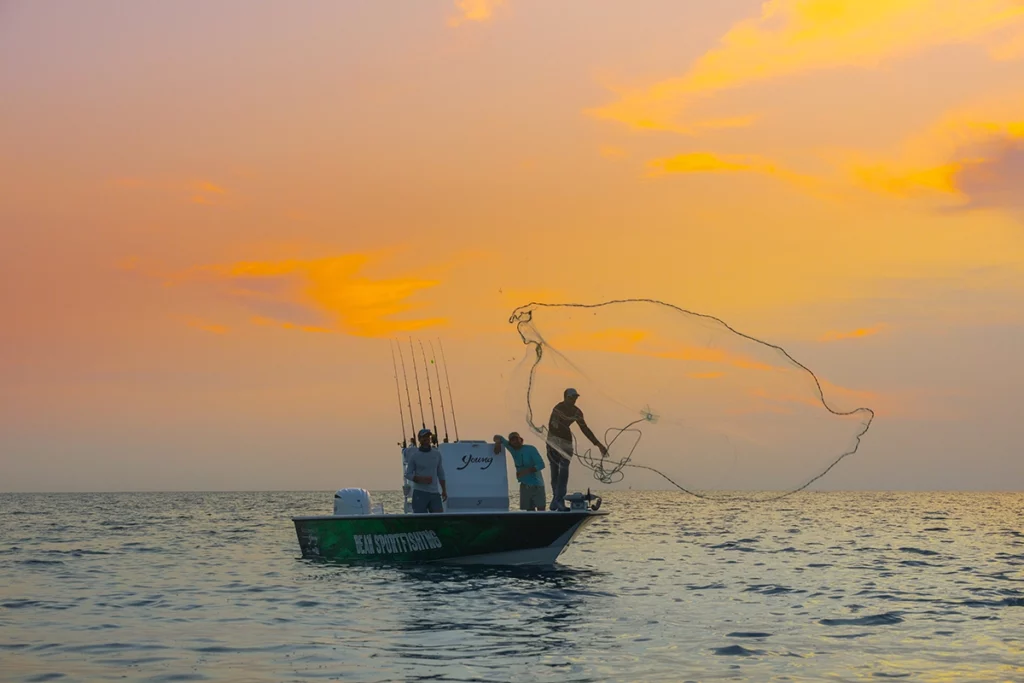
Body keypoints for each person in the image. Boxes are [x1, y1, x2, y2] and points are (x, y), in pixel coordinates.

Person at [546, 388, 607, 511]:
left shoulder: (577, 412)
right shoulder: (558, 408)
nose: (573, 400)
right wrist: (556, 440)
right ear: (565, 397)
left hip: (567, 443)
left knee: (563, 472)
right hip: (553, 442)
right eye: (571, 397)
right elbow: (552, 425)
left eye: (575, 397)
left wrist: (598, 444)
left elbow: (585, 429)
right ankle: (556, 499)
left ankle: (559, 500)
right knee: (555, 471)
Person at [492, 432, 546, 511]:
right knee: (529, 511)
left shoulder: (531, 449)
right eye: (512, 440)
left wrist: (526, 471)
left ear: (521, 440)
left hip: (537, 485)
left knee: (541, 510)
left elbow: (541, 465)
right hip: (524, 485)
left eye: (516, 439)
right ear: (510, 443)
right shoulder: (512, 449)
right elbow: (497, 436)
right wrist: (497, 443)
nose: (515, 441)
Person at [404, 428, 447, 513]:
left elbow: (441, 473)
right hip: (420, 493)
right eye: (424, 437)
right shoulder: (415, 456)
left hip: (434, 493)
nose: (426, 439)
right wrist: (420, 479)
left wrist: (444, 491)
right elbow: (407, 474)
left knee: (439, 519)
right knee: (420, 520)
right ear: (419, 439)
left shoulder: (437, 454)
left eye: (428, 436)